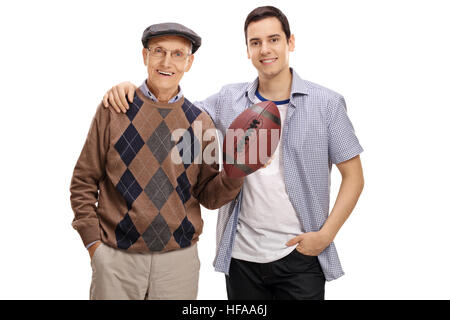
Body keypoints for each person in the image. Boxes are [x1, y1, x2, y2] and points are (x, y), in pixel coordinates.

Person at [102, 6, 364, 300]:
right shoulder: (228, 99)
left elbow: (354, 177)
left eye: (274, 39)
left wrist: (325, 236)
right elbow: (176, 114)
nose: (265, 49)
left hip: (301, 256)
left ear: (290, 42)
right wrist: (135, 91)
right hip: (241, 258)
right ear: (248, 50)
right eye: (255, 42)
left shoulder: (326, 104)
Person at [70, 22, 244, 300]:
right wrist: (94, 245)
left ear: (189, 62)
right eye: (159, 51)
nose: (167, 62)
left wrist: (237, 173)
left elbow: (206, 195)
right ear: (145, 56)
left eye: (177, 54)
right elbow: (83, 180)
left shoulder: (198, 123)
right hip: (116, 259)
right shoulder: (116, 109)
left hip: (178, 264)